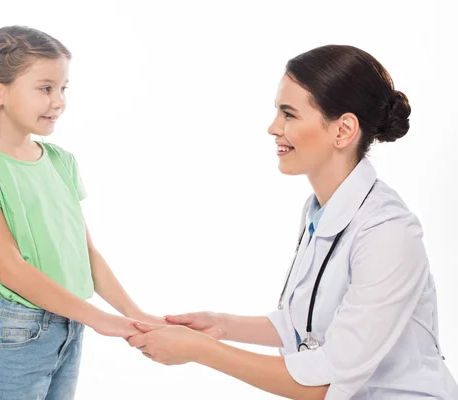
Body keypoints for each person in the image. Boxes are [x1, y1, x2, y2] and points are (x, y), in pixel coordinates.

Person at [128, 45, 458, 399]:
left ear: (343, 130)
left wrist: (200, 351)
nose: (273, 128)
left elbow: (326, 382)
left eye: (289, 114)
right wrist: (220, 326)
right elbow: (306, 323)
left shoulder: (388, 233)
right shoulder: (320, 209)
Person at [0, 25, 162, 400]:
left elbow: (86, 254)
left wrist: (134, 314)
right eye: (45, 88)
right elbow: (11, 270)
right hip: (17, 331)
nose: (59, 101)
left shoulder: (61, 162)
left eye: (63, 89)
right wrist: (103, 320)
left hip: (70, 325)